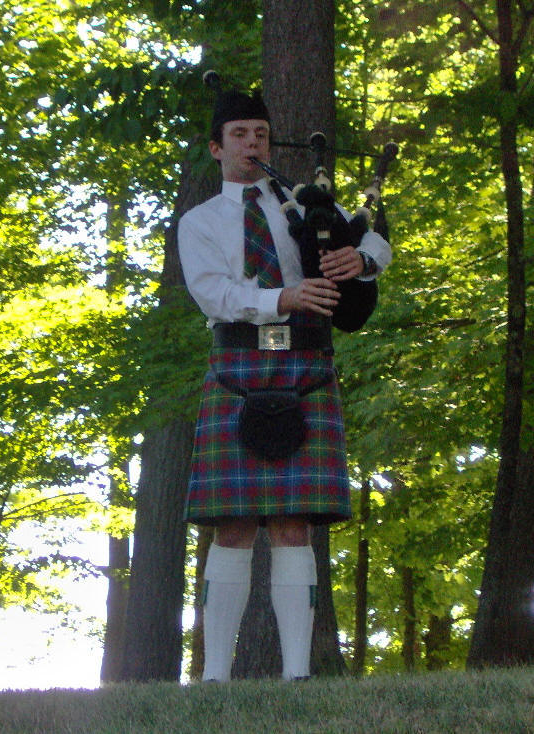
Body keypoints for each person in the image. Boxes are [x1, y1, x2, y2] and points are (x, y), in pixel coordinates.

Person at [178, 85, 391, 682]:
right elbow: (212, 292)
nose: (253, 143)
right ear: (217, 148)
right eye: (240, 135)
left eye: (261, 134)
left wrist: (363, 261)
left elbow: (372, 237)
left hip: (305, 364)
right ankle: (215, 679)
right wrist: (285, 295)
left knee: (294, 519)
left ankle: (298, 676)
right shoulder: (200, 222)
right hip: (237, 366)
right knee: (234, 522)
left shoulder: (301, 206)